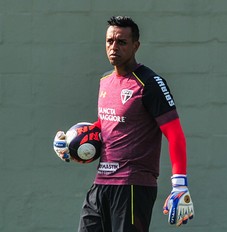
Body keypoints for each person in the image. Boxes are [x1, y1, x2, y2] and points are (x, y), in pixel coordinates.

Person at [53, 16, 194, 232]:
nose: (114, 47)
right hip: (101, 184)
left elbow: (175, 134)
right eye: (110, 41)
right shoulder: (104, 81)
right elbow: (108, 122)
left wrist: (179, 185)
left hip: (133, 186)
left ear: (135, 46)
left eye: (121, 42)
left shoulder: (150, 83)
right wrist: (74, 141)